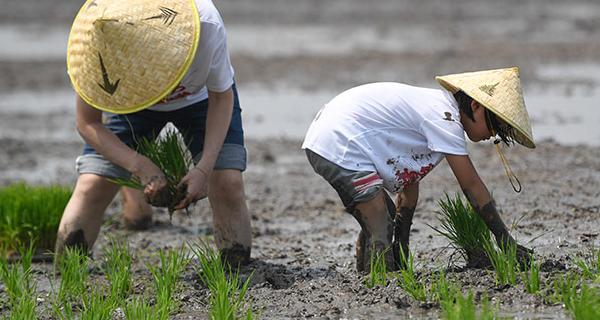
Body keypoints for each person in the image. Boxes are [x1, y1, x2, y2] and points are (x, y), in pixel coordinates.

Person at [56, 0, 252, 266]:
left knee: (226, 181)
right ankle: (68, 274)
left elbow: (221, 98)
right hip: (130, 105)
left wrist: (204, 170)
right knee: (92, 185)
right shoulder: (96, 38)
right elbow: (88, 123)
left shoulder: (204, 23)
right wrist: (139, 165)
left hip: (202, 100)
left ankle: (236, 272)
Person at [302, 67, 534, 274]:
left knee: (383, 214)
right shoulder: (445, 119)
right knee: (378, 218)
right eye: (495, 125)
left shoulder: (434, 110)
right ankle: (377, 287)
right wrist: (505, 240)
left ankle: (368, 275)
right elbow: (471, 184)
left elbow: (408, 182)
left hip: (334, 136)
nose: (493, 135)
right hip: (340, 141)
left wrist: (402, 242)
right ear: (475, 105)